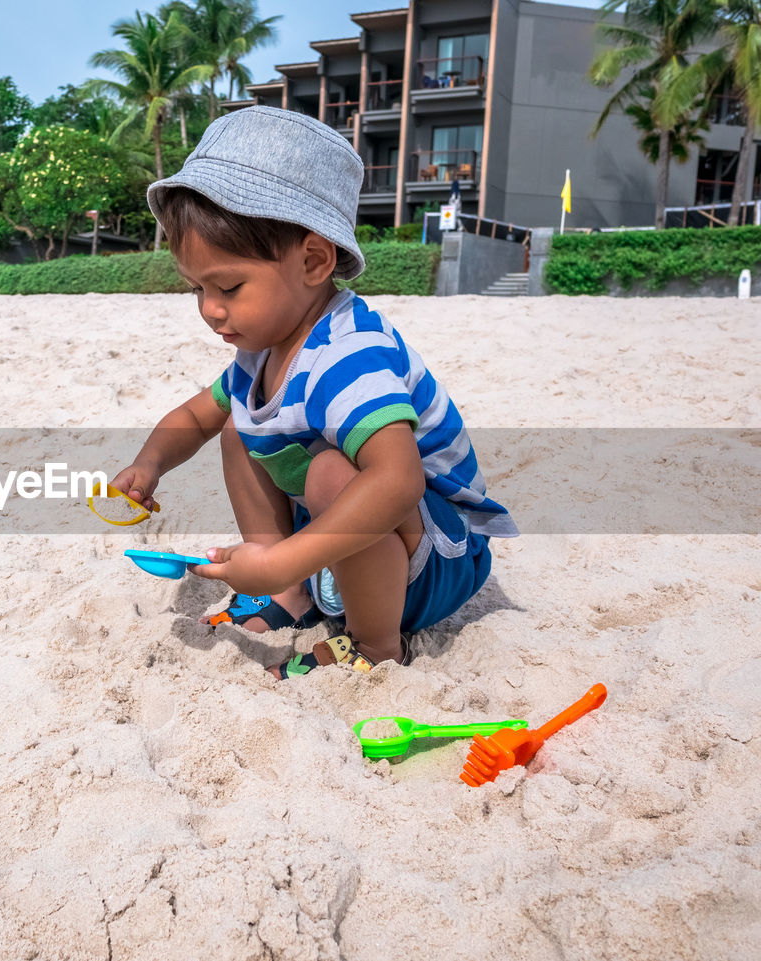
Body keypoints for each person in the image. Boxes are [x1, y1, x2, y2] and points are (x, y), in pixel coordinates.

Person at [110, 106, 517, 678]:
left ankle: (376, 646)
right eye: (196, 287)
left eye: (228, 285)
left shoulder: (349, 354)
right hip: (364, 538)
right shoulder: (263, 346)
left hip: (438, 557)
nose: (209, 309)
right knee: (237, 425)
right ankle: (295, 597)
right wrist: (149, 463)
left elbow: (398, 482)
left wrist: (280, 559)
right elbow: (197, 415)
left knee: (329, 471)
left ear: (314, 260)